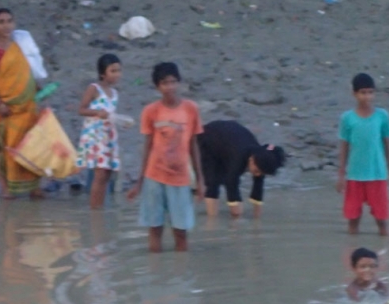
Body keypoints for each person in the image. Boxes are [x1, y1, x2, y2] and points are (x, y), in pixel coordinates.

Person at [126, 62, 205, 253]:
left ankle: (180, 268)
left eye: (173, 82)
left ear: (179, 83)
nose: (170, 87)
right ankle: (155, 266)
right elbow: (148, 146)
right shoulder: (151, 111)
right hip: (154, 177)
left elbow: (193, 145)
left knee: (181, 232)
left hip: (180, 178)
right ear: (157, 87)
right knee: (155, 229)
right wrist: (139, 182)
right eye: (164, 83)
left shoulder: (191, 109)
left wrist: (200, 180)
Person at [0, 8, 42, 199]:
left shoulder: (21, 45)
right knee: (4, 145)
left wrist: (36, 87)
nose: (6, 25)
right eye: (1, 22)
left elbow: (28, 70)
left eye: (9, 21)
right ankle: (5, 188)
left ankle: (34, 187)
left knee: (31, 143)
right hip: (4, 108)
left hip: (26, 105)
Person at [336, 73, 389, 236]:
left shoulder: (382, 116)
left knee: (382, 221)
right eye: (363, 93)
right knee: (352, 220)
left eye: (370, 92)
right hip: (354, 175)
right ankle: (352, 249)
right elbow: (344, 147)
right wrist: (341, 175)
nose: (367, 97)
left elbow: (387, 144)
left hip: (377, 174)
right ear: (354, 94)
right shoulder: (347, 118)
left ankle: (384, 249)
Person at [197, 120, 286, 219]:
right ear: (252, 159)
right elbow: (231, 184)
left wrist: (257, 218)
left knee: (224, 175)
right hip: (207, 139)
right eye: (256, 171)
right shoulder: (239, 158)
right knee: (213, 182)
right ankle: (212, 219)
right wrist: (237, 217)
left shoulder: (262, 158)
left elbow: (258, 190)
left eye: (261, 173)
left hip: (227, 143)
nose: (257, 174)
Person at [76, 54, 122, 209]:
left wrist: (121, 121)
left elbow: (111, 114)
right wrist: (97, 113)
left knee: (106, 174)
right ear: (103, 73)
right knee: (100, 174)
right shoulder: (94, 88)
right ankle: (95, 211)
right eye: (113, 71)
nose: (117, 74)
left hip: (108, 135)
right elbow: (81, 110)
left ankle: (98, 209)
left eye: (118, 71)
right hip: (96, 136)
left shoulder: (114, 93)